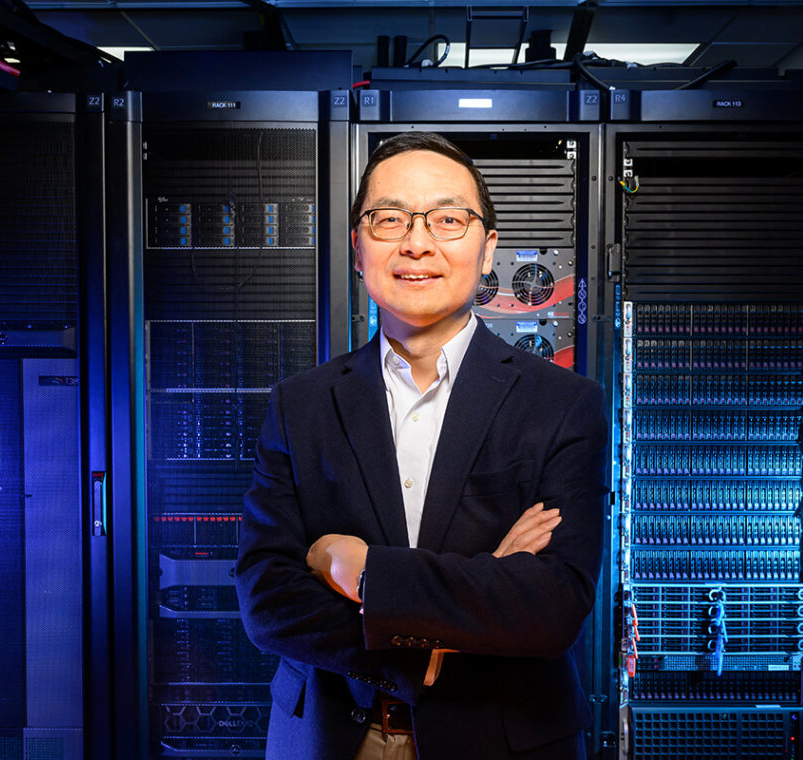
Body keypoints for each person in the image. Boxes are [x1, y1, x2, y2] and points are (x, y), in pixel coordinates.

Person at [235, 131, 608, 760]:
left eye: (448, 219)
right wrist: (451, 621)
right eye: (390, 219)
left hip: (501, 739)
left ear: (488, 249)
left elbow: (552, 606)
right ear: (358, 247)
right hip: (333, 736)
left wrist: (362, 571)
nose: (417, 242)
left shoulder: (563, 403)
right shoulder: (300, 404)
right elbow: (267, 599)